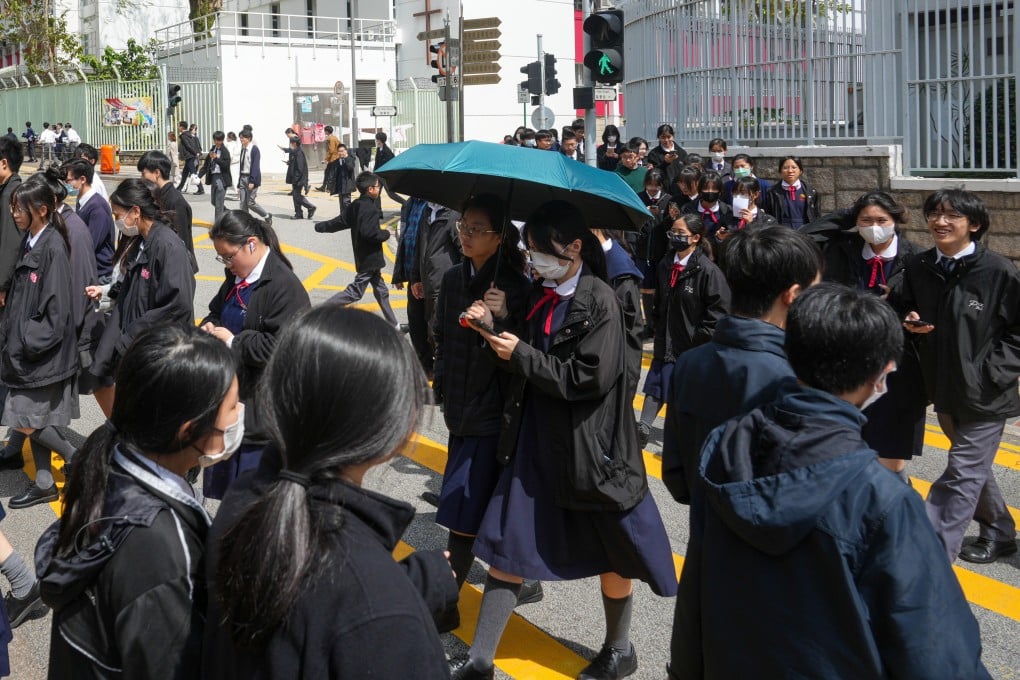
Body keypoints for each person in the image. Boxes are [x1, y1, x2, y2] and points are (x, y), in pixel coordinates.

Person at [669, 283, 992, 680]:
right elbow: (936, 651)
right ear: (881, 375)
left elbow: (696, 588)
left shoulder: (726, 446)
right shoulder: (882, 499)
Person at [452, 201, 677, 680]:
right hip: (535, 438)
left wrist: (520, 353)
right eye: (530, 250)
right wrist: (494, 326)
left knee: (614, 552)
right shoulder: (539, 293)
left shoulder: (601, 301)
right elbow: (521, 359)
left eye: (540, 251)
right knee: (508, 546)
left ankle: (619, 649)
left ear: (574, 247)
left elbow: (586, 379)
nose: (533, 261)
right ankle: (480, 661)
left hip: (590, 448)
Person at [203, 305, 456, 678]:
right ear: (391, 432)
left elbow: (303, 616)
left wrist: (409, 587)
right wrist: (398, 603)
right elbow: (348, 607)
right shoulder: (380, 604)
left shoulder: (246, 496)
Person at [36, 324, 239, 679]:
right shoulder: (160, 550)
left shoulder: (108, 462)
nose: (241, 415)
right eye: (233, 406)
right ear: (189, 430)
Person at [898, 188, 1020, 564]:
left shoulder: (998, 271)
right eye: (935, 213)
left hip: (987, 393)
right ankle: (999, 532)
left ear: (975, 224)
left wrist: (993, 372)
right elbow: (904, 306)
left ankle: (930, 558)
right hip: (943, 387)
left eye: (952, 215)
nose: (941, 221)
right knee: (971, 468)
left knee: (962, 471)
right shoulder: (919, 266)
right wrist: (909, 321)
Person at [661, 225, 822, 504]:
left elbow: (676, 476)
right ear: (793, 295)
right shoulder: (796, 377)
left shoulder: (689, 363)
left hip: (706, 523)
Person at [433, 194, 533, 629]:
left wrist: (499, 321)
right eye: (464, 227)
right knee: (479, 505)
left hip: (492, 414)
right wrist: (441, 385)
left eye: (477, 229)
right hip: (458, 409)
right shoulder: (453, 277)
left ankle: (445, 604)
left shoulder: (517, 288)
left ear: (499, 237)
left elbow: (524, 357)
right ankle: (522, 578)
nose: (467, 236)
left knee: (465, 510)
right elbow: (440, 335)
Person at [813, 192, 926, 478]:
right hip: (848, 364)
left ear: (895, 221)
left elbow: (927, 305)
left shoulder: (916, 258)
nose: (874, 227)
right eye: (866, 220)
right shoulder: (843, 250)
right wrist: (846, 215)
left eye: (881, 220)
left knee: (890, 458)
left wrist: (906, 313)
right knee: (846, 447)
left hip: (896, 369)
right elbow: (805, 237)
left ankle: (895, 501)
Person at [200, 210, 309, 498]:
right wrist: (209, 325)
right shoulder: (237, 276)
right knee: (228, 499)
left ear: (251, 243)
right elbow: (216, 310)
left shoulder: (284, 287)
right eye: (222, 259)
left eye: (229, 256)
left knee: (251, 502)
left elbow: (283, 348)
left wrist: (234, 342)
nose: (227, 265)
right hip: (229, 401)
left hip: (261, 415)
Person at [88, 179, 197, 416]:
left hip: (156, 350)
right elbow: (132, 288)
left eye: (118, 214)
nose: (117, 221)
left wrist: (132, 333)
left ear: (135, 211)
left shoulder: (167, 246)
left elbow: (178, 305)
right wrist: (107, 293)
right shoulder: (141, 241)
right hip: (136, 345)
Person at [3, 179, 80, 509]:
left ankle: (76, 456)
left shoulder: (53, 247)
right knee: (36, 418)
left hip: (40, 354)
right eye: (13, 207)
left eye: (20, 208)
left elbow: (57, 313)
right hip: (26, 349)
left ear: (42, 210)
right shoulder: (32, 240)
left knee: (23, 419)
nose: (14, 213)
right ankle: (45, 484)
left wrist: (25, 342)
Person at [636, 214, 729, 448]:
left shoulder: (707, 271)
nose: (675, 238)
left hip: (693, 343)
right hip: (666, 336)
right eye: (673, 233)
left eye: (681, 234)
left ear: (696, 238)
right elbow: (659, 300)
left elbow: (718, 312)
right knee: (657, 380)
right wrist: (657, 325)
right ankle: (643, 426)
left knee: (686, 389)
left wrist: (699, 337)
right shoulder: (665, 264)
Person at [314, 172, 398, 327]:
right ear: (370, 189)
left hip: (365, 257)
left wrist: (321, 227)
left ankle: (394, 325)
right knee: (355, 292)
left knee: (381, 291)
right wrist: (386, 233)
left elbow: (340, 221)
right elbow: (370, 233)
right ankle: (320, 311)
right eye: (378, 186)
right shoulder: (370, 209)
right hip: (369, 258)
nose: (379, 189)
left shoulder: (356, 205)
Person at [411, 200, 462, 357]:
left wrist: (458, 282)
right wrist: (415, 277)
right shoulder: (426, 211)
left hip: (443, 286)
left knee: (437, 333)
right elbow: (419, 246)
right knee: (430, 330)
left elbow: (464, 252)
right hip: (428, 284)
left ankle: (441, 367)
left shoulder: (454, 215)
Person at [137, 151, 198, 272]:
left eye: (143, 174)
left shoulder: (175, 201)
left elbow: (180, 241)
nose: (141, 178)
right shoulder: (158, 196)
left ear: (157, 173)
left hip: (176, 268)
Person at [393, 197, 433, 375]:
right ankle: (424, 365)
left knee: (432, 325)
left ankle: (436, 364)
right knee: (416, 323)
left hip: (431, 278)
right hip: (413, 276)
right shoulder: (409, 205)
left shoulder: (433, 206)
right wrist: (399, 272)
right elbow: (404, 239)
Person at [66, 159, 115, 282]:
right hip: (89, 267)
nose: (67, 185)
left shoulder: (97, 207)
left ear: (82, 179)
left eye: (69, 181)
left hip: (99, 273)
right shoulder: (82, 201)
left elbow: (90, 243)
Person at [763, 155, 820, 230]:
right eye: (785, 168)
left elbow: (816, 216)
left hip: (805, 231)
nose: (790, 171)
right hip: (782, 231)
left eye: (794, 167)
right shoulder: (772, 192)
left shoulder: (811, 192)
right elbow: (768, 216)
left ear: (800, 171)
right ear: (780, 171)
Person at [0, 136, 24, 309]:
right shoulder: (8, 189)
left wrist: (2, 285)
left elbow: (10, 243)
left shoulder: (10, 195)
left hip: (7, 283)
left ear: (4, 163)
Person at [680, 170, 737, 242]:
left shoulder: (727, 211)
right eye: (706, 188)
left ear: (720, 191)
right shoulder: (688, 209)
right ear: (700, 190)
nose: (710, 191)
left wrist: (720, 238)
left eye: (714, 189)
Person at [236, 130, 272, 226]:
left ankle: (267, 215)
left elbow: (255, 166)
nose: (241, 140)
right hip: (243, 177)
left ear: (249, 138)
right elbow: (242, 166)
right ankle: (246, 223)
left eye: (243, 138)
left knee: (250, 202)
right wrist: (239, 183)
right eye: (240, 138)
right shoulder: (243, 149)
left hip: (251, 178)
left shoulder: (254, 149)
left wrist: (252, 180)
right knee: (242, 202)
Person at [199, 131, 232, 225]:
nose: (218, 142)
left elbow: (226, 165)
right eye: (216, 140)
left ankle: (218, 225)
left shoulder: (225, 151)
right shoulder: (212, 149)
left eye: (220, 140)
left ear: (222, 140)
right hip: (214, 177)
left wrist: (216, 158)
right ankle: (227, 212)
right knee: (214, 201)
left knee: (218, 204)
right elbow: (206, 165)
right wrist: (199, 176)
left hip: (221, 178)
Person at [284, 137, 315, 220]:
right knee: (295, 196)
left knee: (296, 196)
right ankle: (298, 213)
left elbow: (300, 168)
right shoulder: (296, 152)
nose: (290, 144)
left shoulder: (299, 153)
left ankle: (310, 207)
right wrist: (289, 163)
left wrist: (296, 178)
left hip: (299, 179)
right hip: (296, 178)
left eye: (291, 143)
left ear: (294, 143)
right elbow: (296, 164)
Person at [176, 121, 203, 195]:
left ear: (182, 127)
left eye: (179, 126)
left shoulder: (184, 136)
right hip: (190, 156)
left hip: (189, 156)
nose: (178, 127)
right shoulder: (189, 134)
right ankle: (179, 188)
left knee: (194, 174)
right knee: (185, 173)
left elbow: (188, 146)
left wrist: (195, 153)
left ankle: (201, 189)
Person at [317, 125, 341, 192]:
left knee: (331, 173)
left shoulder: (331, 139)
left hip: (334, 159)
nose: (324, 132)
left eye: (325, 131)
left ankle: (329, 188)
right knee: (327, 172)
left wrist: (326, 159)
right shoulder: (333, 137)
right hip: (333, 158)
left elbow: (331, 150)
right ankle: (324, 187)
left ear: (327, 131)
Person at [334, 142, 357, 210]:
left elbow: (350, 168)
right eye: (339, 151)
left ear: (345, 151)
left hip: (347, 185)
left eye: (342, 151)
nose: (340, 153)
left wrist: (345, 158)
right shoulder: (338, 160)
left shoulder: (350, 159)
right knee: (341, 203)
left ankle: (348, 215)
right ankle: (342, 215)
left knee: (346, 202)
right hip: (340, 185)